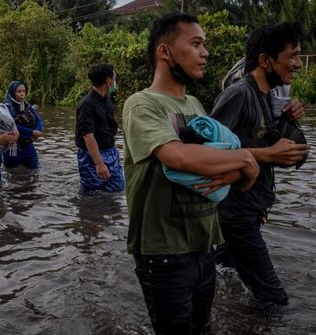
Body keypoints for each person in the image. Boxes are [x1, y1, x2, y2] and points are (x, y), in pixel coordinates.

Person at [122, 13, 260, 334]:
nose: (205, 52)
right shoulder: (142, 104)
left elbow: (216, 159)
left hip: (203, 246)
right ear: (165, 52)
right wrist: (243, 159)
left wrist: (239, 168)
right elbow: (177, 156)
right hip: (163, 253)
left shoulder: (196, 104)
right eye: (196, 44)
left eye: (205, 45)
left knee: (203, 328)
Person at [210, 22, 310, 310]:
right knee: (274, 300)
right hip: (236, 216)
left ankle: (222, 311)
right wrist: (267, 155)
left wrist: (289, 120)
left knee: (219, 271)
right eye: (291, 56)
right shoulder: (239, 94)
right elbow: (206, 152)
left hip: (250, 211)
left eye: (298, 55)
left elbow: (296, 157)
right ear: (266, 60)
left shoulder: (269, 98)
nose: (298, 64)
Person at [76, 64, 124, 193]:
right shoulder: (86, 104)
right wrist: (99, 163)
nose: (115, 81)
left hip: (110, 151)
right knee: (93, 194)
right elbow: (88, 135)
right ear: (108, 81)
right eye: (114, 77)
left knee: (117, 190)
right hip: (92, 156)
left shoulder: (107, 100)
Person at [3, 80, 43, 171]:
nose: (22, 94)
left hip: (28, 145)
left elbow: (39, 120)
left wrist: (38, 131)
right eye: (19, 91)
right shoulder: (6, 107)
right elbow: (12, 126)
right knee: (11, 173)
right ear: (13, 92)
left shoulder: (27, 105)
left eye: (24, 91)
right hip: (12, 147)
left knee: (34, 170)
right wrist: (32, 132)